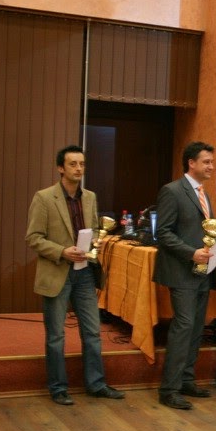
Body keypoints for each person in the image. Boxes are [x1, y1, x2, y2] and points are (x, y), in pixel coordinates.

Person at [25, 145, 125, 405]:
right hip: (57, 271)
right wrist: (62, 251)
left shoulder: (90, 197)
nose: (79, 168)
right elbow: (33, 238)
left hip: (85, 273)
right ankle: (58, 388)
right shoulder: (44, 197)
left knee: (92, 332)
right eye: (73, 164)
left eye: (82, 164)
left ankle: (96, 383)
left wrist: (96, 242)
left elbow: (92, 231)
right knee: (56, 335)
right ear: (61, 168)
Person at [154, 142, 216, 410]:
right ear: (191, 163)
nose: (211, 166)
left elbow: (204, 232)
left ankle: (186, 380)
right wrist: (192, 253)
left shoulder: (204, 194)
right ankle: (169, 389)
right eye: (206, 162)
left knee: (195, 328)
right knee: (183, 327)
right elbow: (163, 233)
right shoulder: (172, 191)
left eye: (212, 161)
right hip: (182, 271)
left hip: (202, 272)